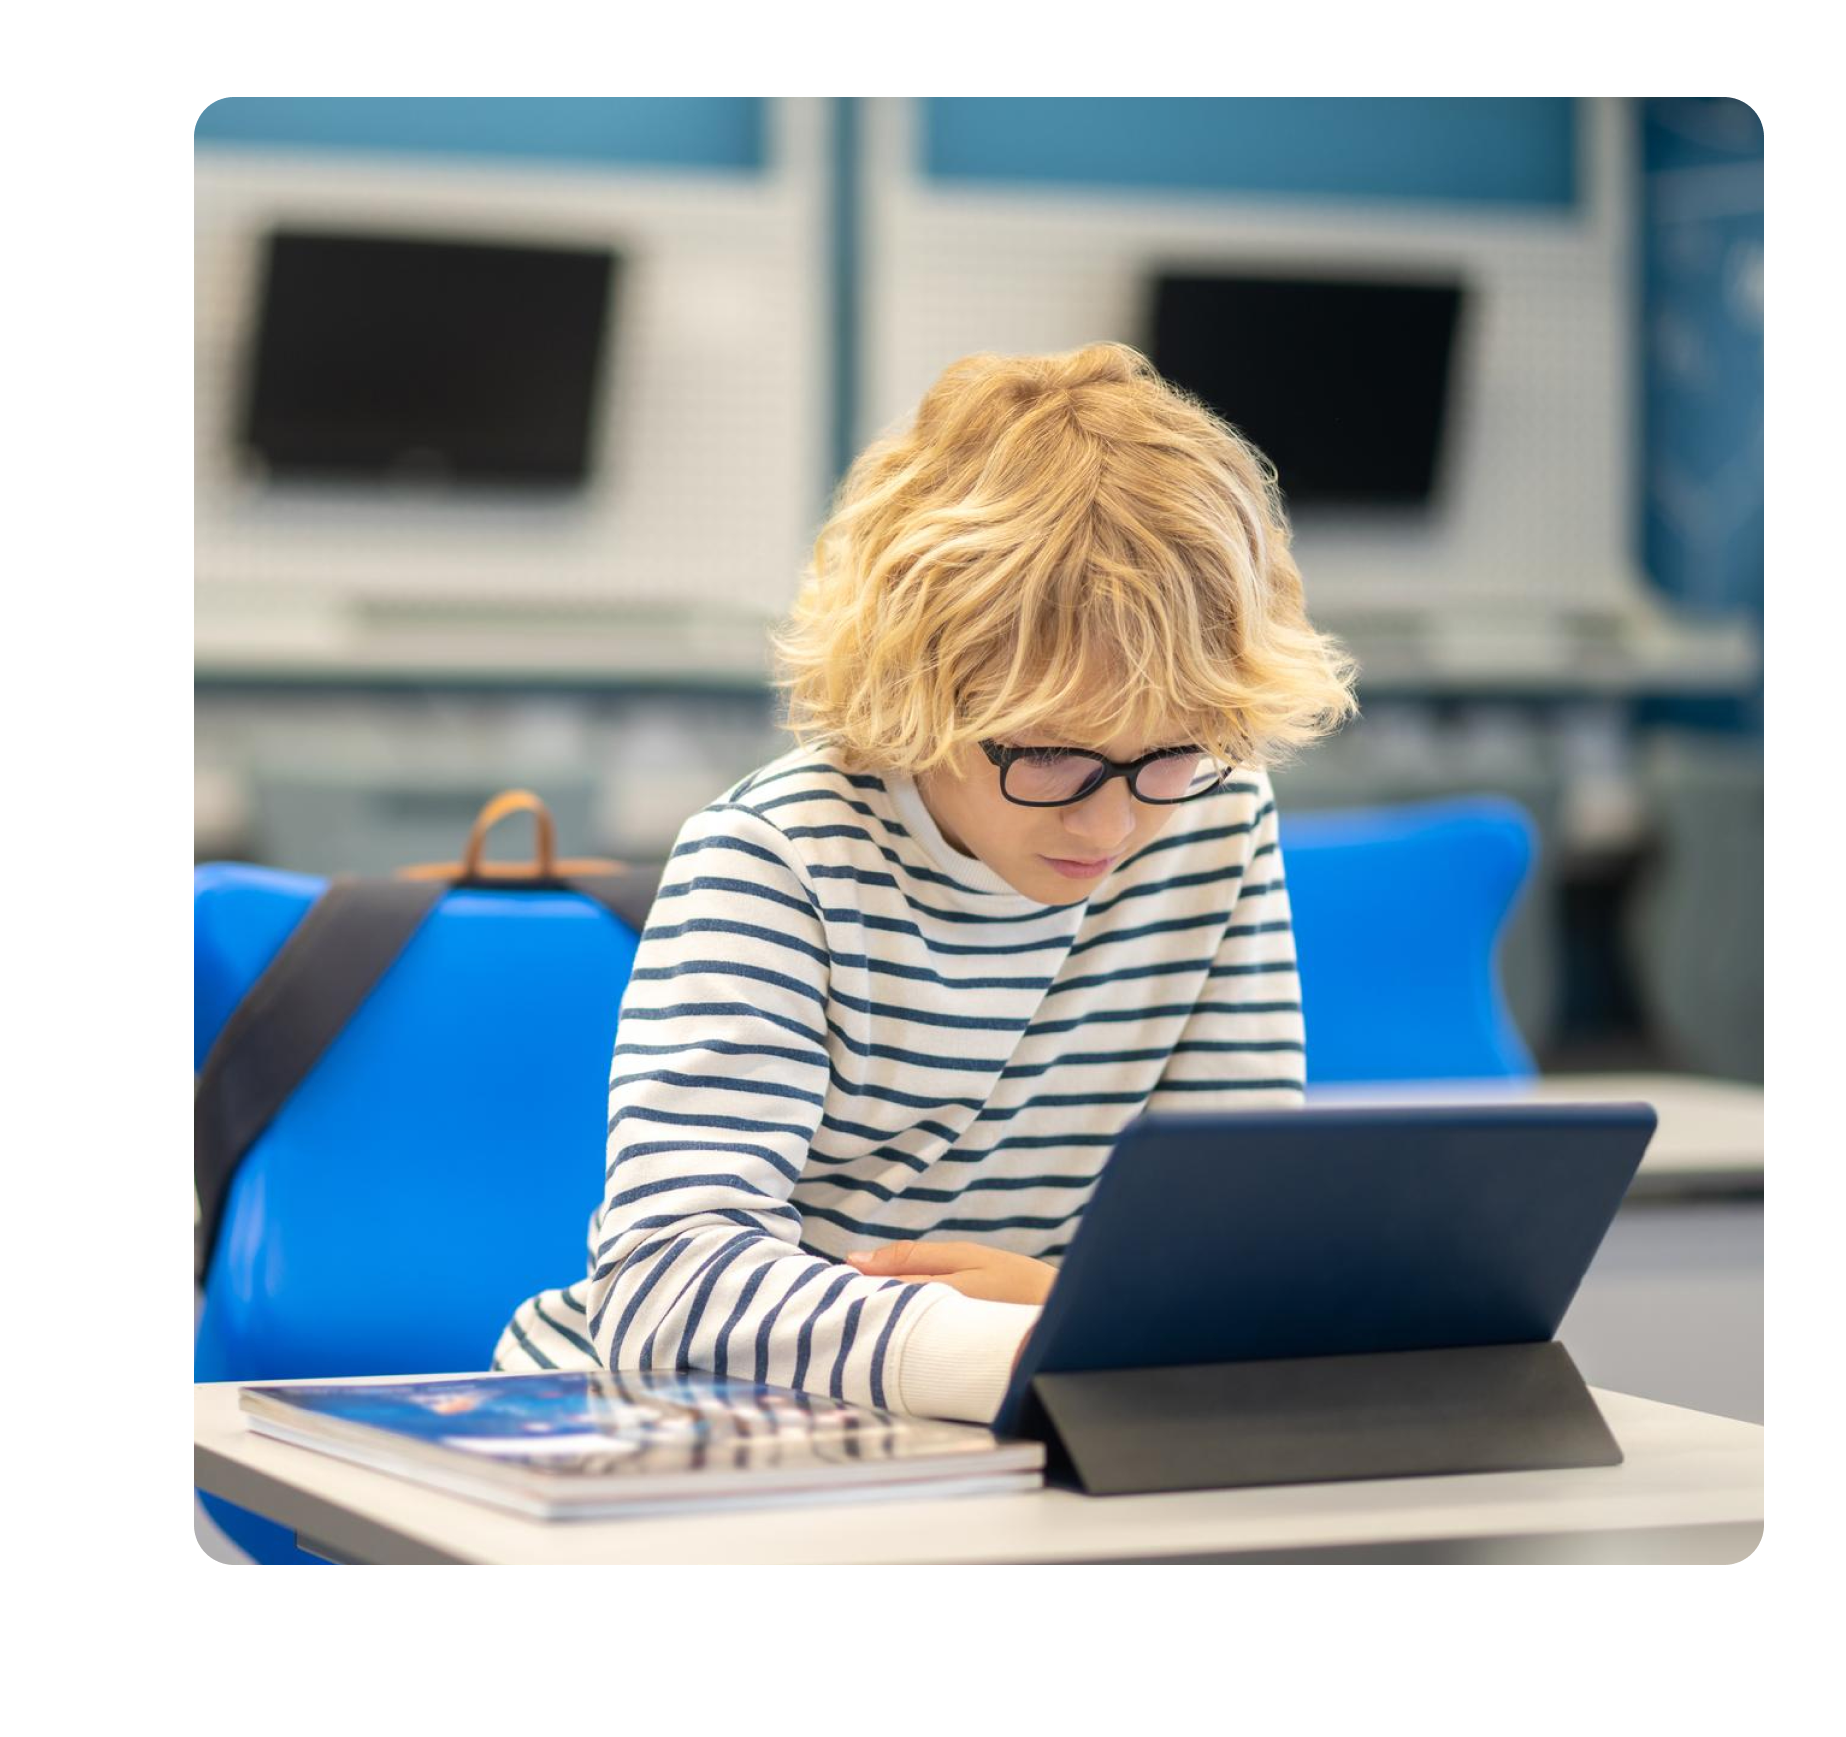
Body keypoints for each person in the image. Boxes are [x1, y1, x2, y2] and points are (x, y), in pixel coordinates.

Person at [492, 341, 1357, 1422]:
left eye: (1168, 752)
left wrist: (1064, 1316)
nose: (1112, 817)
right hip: (678, 1417)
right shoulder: (776, 858)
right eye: (1048, 755)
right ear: (918, 692)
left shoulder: (1214, 814)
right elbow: (662, 1286)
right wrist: (1037, 1343)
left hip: (1000, 1407)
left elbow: (1223, 1239)